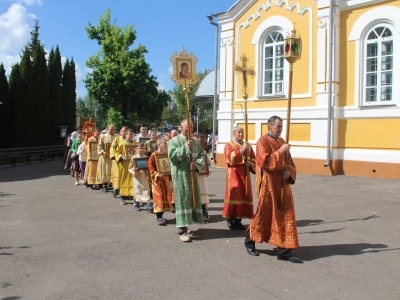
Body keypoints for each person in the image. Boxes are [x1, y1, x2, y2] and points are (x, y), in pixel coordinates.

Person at [244, 115, 303, 264]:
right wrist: (280, 152)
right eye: (278, 126)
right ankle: (250, 240)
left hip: (283, 184)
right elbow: (266, 163)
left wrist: (287, 172)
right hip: (269, 184)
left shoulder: (282, 142)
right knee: (264, 214)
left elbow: (289, 162)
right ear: (270, 126)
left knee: (286, 214)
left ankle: (284, 250)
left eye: (282, 127)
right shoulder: (262, 142)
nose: (281, 129)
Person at [168, 119, 204, 242]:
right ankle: (181, 230)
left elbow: (201, 155)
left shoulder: (195, 142)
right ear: (181, 128)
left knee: (190, 200)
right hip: (180, 176)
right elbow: (172, 157)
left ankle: (186, 223)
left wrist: (196, 165)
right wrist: (184, 148)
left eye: (192, 126)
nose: (191, 129)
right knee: (182, 201)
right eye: (188, 126)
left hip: (192, 176)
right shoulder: (174, 141)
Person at [223, 126, 256, 229]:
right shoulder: (229, 145)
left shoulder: (248, 146)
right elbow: (229, 159)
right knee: (234, 195)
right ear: (234, 134)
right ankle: (230, 218)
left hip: (245, 175)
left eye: (242, 132)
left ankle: (238, 220)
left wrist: (249, 164)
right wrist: (241, 151)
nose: (241, 134)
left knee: (243, 195)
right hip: (234, 174)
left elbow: (255, 160)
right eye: (238, 133)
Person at [148, 138, 174, 225]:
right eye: (164, 144)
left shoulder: (167, 155)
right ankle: (158, 217)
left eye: (166, 143)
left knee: (165, 197)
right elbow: (151, 168)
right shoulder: (154, 155)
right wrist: (156, 174)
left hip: (166, 179)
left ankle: (162, 215)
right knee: (158, 197)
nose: (166, 145)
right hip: (157, 180)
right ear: (159, 145)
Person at [114, 128, 137, 205]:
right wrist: (121, 157)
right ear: (126, 135)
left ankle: (135, 198)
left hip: (133, 165)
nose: (130, 136)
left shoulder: (136, 144)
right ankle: (122, 197)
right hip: (124, 165)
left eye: (132, 134)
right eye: (129, 134)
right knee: (124, 180)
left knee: (134, 181)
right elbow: (116, 153)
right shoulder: (121, 144)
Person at [192, 131, 212, 221]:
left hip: (201, 177)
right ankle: (194, 214)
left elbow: (207, 163)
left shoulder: (203, 152)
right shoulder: (190, 151)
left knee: (203, 195)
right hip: (192, 176)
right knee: (193, 195)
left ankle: (204, 212)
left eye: (199, 141)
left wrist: (208, 170)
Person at [128, 143, 153, 212]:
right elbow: (130, 168)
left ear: (144, 149)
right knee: (137, 190)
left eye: (142, 148)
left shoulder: (146, 158)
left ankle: (148, 205)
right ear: (137, 149)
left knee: (146, 190)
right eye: (140, 148)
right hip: (137, 176)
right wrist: (134, 170)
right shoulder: (134, 158)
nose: (141, 150)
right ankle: (137, 204)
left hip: (145, 176)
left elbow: (149, 167)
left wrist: (148, 169)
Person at [96, 124, 117, 192]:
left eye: (113, 129)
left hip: (113, 157)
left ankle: (113, 184)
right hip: (105, 157)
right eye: (111, 129)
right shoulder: (103, 136)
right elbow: (99, 146)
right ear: (108, 129)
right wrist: (103, 152)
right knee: (105, 170)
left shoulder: (117, 137)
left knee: (112, 170)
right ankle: (104, 185)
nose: (112, 130)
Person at [110, 126, 127, 198]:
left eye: (126, 132)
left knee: (125, 176)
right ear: (120, 132)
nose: (124, 133)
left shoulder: (129, 140)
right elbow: (112, 149)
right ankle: (116, 189)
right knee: (117, 175)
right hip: (118, 161)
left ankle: (125, 191)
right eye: (123, 131)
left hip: (126, 162)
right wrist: (119, 157)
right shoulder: (116, 139)